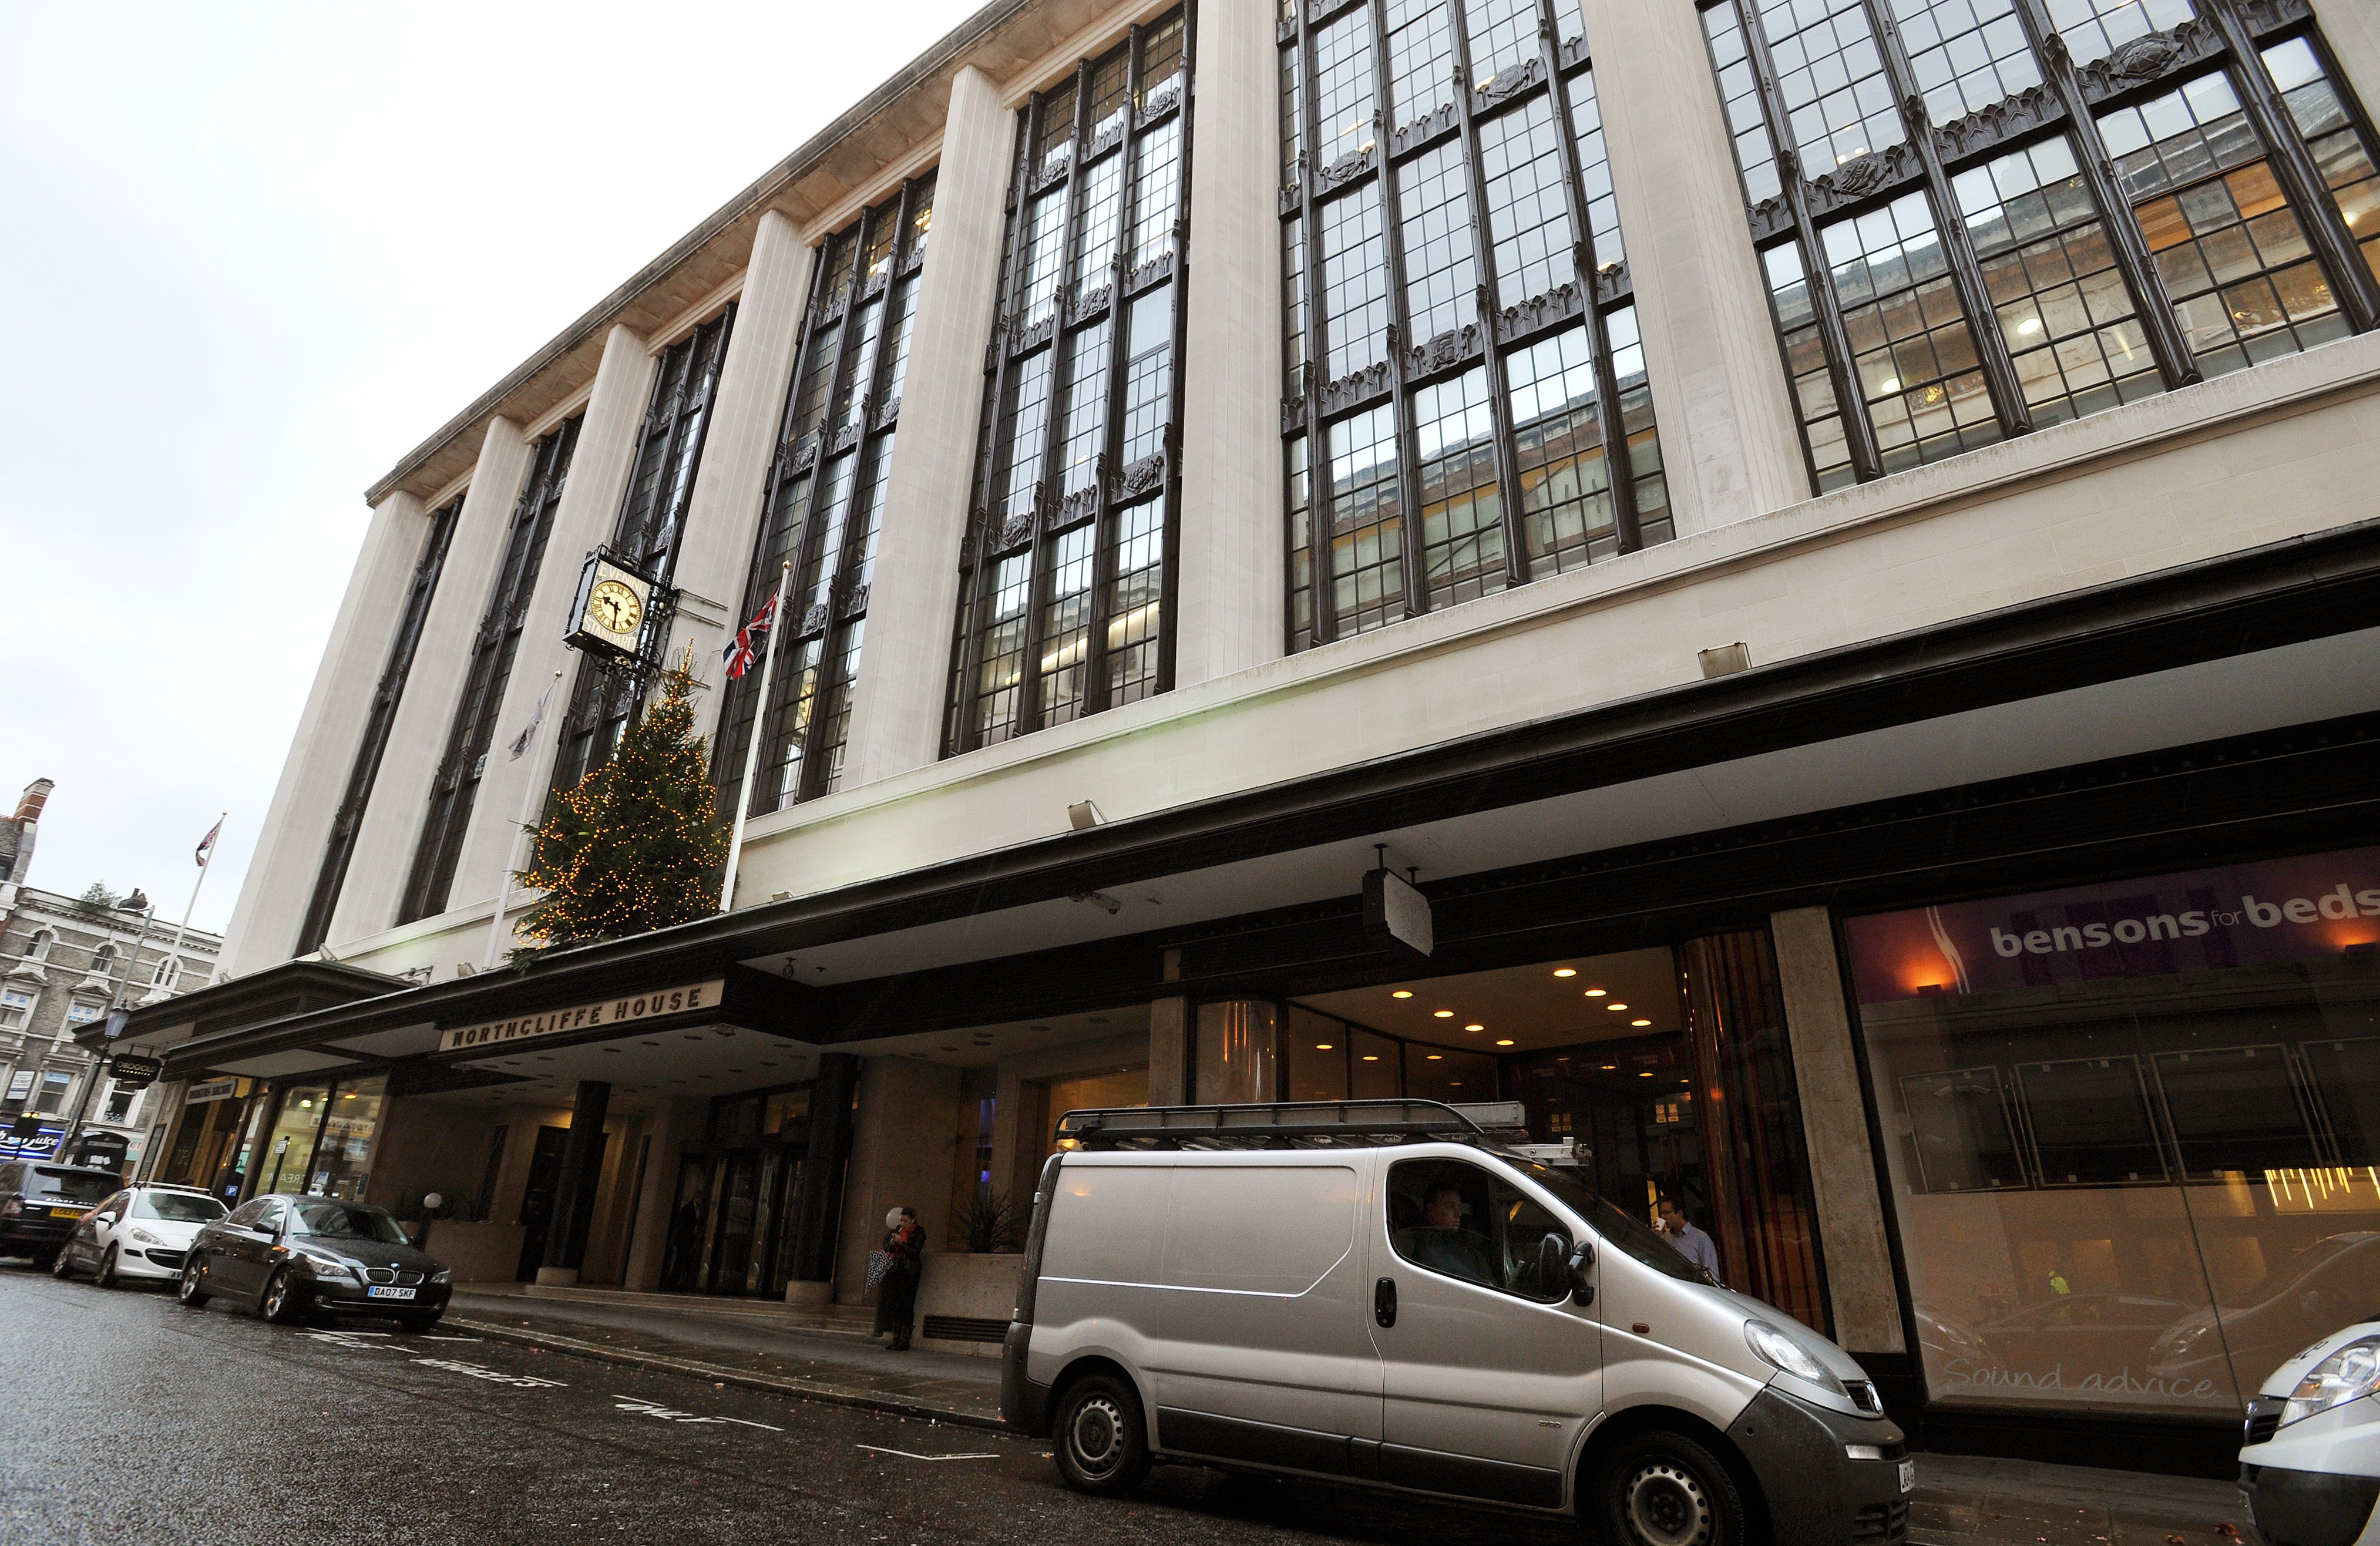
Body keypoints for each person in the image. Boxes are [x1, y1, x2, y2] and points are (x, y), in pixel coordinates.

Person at [1405, 1181, 1495, 1286]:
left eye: (1459, 1207)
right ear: (1432, 1210)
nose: (1459, 1214)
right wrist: (1485, 1284)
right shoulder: (1428, 1245)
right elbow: (1447, 1266)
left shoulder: (1460, 1241)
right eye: (1451, 1207)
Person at [875, 1205, 924, 1352]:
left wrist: (902, 1243)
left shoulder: (919, 1232)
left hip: (910, 1272)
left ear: (912, 1220)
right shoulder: (897, 1230)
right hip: (896, 1270)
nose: (902, 1224)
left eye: (905, 1221)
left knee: (907, 1304)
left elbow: (914, 1251)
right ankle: (895, 1338)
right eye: (901, 1221)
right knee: (895, 1304)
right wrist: (891, 1243)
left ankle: (905, 1339)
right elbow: (887, 1249)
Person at [1657, 1195, 1722, 1283]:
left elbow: (1712, 1277)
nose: (1663, 1217)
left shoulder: (1701, 1239)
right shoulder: (1665, 1238)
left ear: (1679, 1213)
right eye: (1662, 1213)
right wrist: (1654, 1239)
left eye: (1666, 1213)